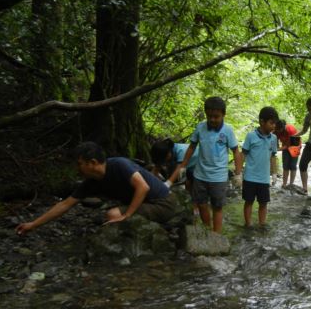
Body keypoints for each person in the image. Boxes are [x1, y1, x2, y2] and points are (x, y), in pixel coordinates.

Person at [15, 142, 177, 235]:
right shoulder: (92, 181)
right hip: (149, 204)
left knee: (113, 214)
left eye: (80, 164)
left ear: (92, 162)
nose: (77, 169)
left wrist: (126, 215)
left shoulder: (119, 164)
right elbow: (65, 204)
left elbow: (143, 187)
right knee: (113, 215)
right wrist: (33, 224)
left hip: (163, 203)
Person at [172, 96, 242, 233]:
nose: (212, 120)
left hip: (219, 177)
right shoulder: (200, 128)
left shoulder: (228, 131)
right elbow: (191, 147)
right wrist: (183, 165)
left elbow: (235, 151)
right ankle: (208, 229)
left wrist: (238, 174)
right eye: (209, 116)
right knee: (202, 204)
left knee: (217, 207)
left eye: (216, 116)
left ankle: (216, 234)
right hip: (200, 175)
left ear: (223, 114)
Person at [241, 107, 279, 227]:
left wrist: (274, 173)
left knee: (263, 203)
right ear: (262, 122)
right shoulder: (251, 136)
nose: (274, 126)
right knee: (249, 201)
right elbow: (243, 154)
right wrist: (238, 172)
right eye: (271, 123)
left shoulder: (273, 138)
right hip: (250, 177)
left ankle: (262, 224)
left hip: (264, 178)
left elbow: (273, 156)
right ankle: (248, 225)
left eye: (275, 123)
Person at [274, 119, 300, 188]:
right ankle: (284, 184)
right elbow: (274, 138)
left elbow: (288, 145)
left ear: (282, 128)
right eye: (276, 130)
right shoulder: (276, 129)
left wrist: (277, 149)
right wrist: (276, 146)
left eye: (279, 130)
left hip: (295, 145)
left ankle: (291, 184)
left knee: (293, 166)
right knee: (285, 166)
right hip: (285, 146)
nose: (278, 131)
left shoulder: (291, 130)